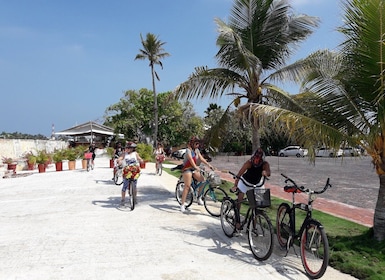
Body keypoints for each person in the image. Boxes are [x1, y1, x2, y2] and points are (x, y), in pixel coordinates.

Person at [230, 147, 271, 230]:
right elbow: (239, 174)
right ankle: (237, 221)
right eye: (255, 158)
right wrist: (235, 185)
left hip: (257, 184)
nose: (256, 161)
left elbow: (268, 172)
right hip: (245, 182)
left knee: (257, 205)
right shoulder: (248, 163)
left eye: (259, 159)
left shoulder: (265, 164)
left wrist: (265, 173)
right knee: (240, 199)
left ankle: (254, 226)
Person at [180, 136, 214, 213]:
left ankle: (199, 197)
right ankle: (182, 204)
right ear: (192, 144)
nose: (197, 145)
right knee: (187, 186)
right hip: (187, 168)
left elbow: (201, 159)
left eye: (198, 144)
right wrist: (196, 167)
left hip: (194, 168)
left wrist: (209, 165)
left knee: (203, 180)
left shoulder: (197, 150)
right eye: (196, 144)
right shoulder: (188, 150)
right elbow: (191, 160)